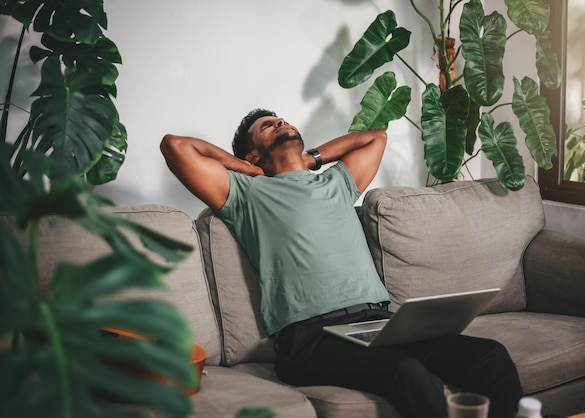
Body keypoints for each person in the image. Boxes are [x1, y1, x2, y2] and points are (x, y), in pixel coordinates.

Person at [160, 108, 523, 418]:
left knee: (490, 355)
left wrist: (311, 159)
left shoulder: (337, 182)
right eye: (268, 126)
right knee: (407, 372)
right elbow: (175, 146)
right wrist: (243, 168)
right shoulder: (244, 194)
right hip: (309, 338)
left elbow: (376, 137)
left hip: (380, 325)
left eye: (282, 119)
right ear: (253, 156)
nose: (281, 123)